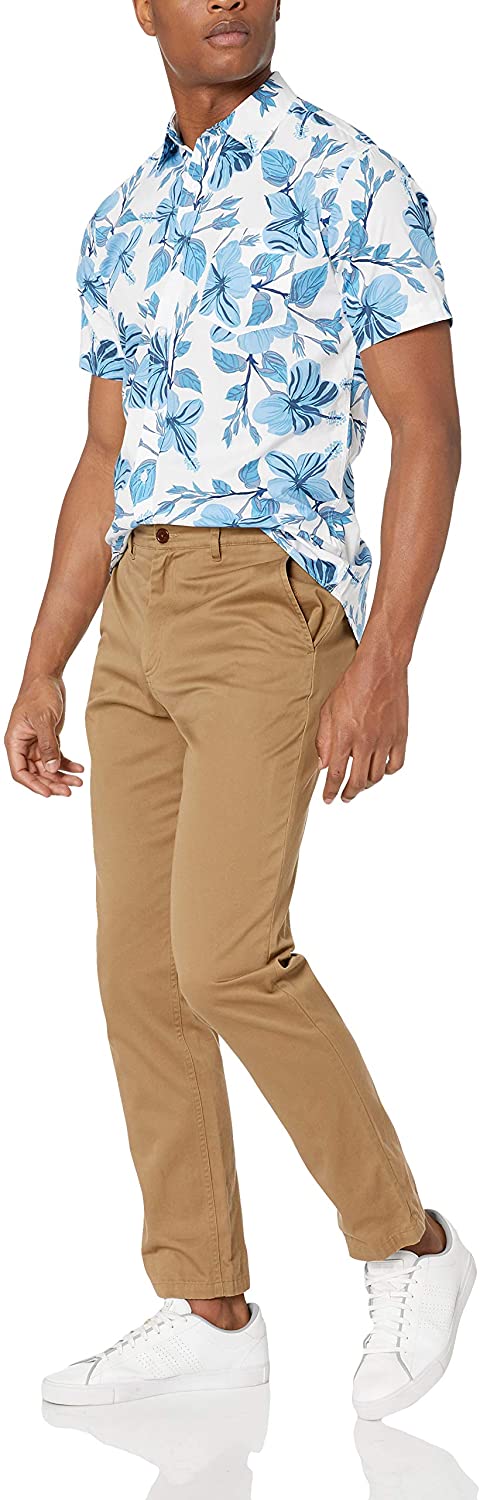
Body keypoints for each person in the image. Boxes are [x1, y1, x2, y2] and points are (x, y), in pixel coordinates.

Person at [5, 0, 475, 1420]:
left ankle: (408, 1243)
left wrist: (386, 655)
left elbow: (429, 427)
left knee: (224, 958)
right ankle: (207, 1305)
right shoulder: (118, 221)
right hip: (137, 608)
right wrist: (44, 661)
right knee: (138, 970)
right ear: (141, 10)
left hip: (268, 602)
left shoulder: (352, 176)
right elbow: (104, 454)